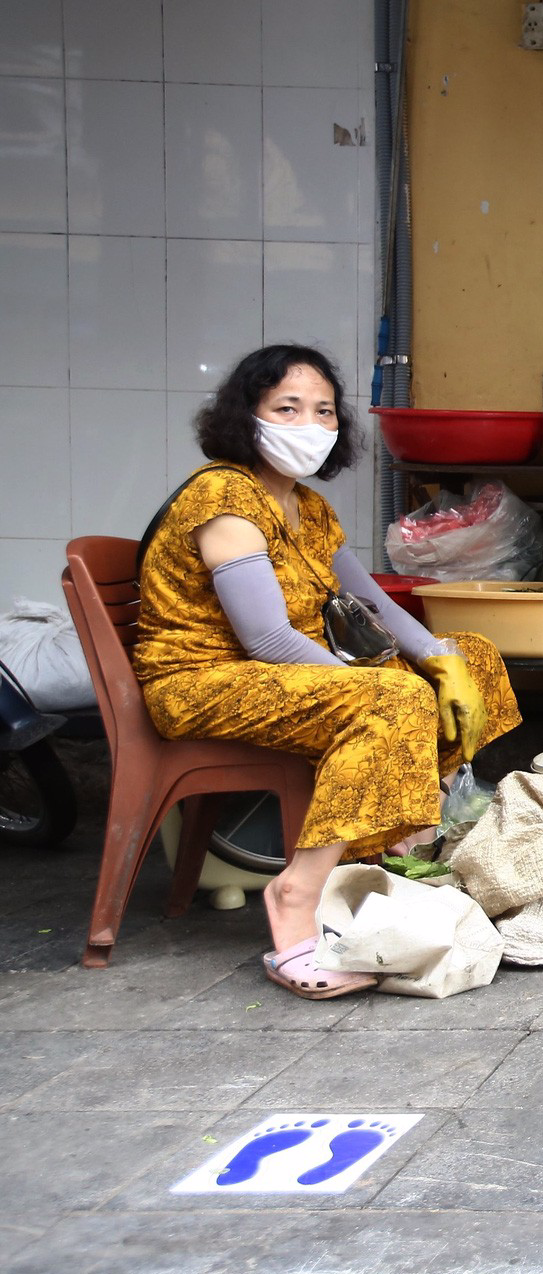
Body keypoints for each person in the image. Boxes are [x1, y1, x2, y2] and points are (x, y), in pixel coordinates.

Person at [132, 345, 521, 999]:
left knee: (471, 655)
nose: (307, 424)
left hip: (277, 676)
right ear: (245, 416)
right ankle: (296, 894)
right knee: (392, 698)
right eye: (286, 408)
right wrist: (383, 679)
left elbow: (369, 602)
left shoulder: (306, 508)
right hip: (203, 681)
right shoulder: (225, 496)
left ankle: (395, 847)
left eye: (323, 411)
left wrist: (437, 658)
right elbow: (266, 638)